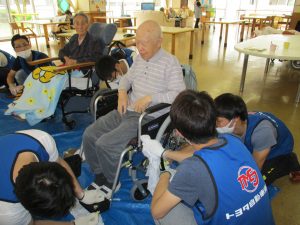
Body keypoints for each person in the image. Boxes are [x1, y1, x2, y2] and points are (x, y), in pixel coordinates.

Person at [141, 90, 275, 225]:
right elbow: (199, 156)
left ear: (180, 133)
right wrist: (166, 153)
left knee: (165, 214)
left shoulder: (192, 169)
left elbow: (157, 211)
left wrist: (165, 172)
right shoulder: (233, 140)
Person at [82, 20, 185, 192]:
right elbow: (127, 78)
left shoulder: (170, 63)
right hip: (127, 109)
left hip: (147, 117)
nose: (139, 47)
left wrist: (151, 98)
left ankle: (111, 182)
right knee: (89, 134)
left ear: (159, 42)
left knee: (105, 144)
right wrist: (122, 92)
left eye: (144, 43)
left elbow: (179, 94)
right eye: (137, 42)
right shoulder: (139, 59)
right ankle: (100, 173)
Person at [0, 129, 102, 225]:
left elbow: (59, 162)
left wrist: (81, 194)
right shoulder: (8, 211)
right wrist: (72, 224)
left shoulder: (41, 140)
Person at [214, 93, 300, 184]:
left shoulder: (262, 132)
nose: (214, 124)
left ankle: (289, 161)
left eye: (218, 121)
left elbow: (254, 169)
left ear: (235, 119)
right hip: (257, 143)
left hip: (277, 150)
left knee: (253, 182)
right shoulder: (234, 123)